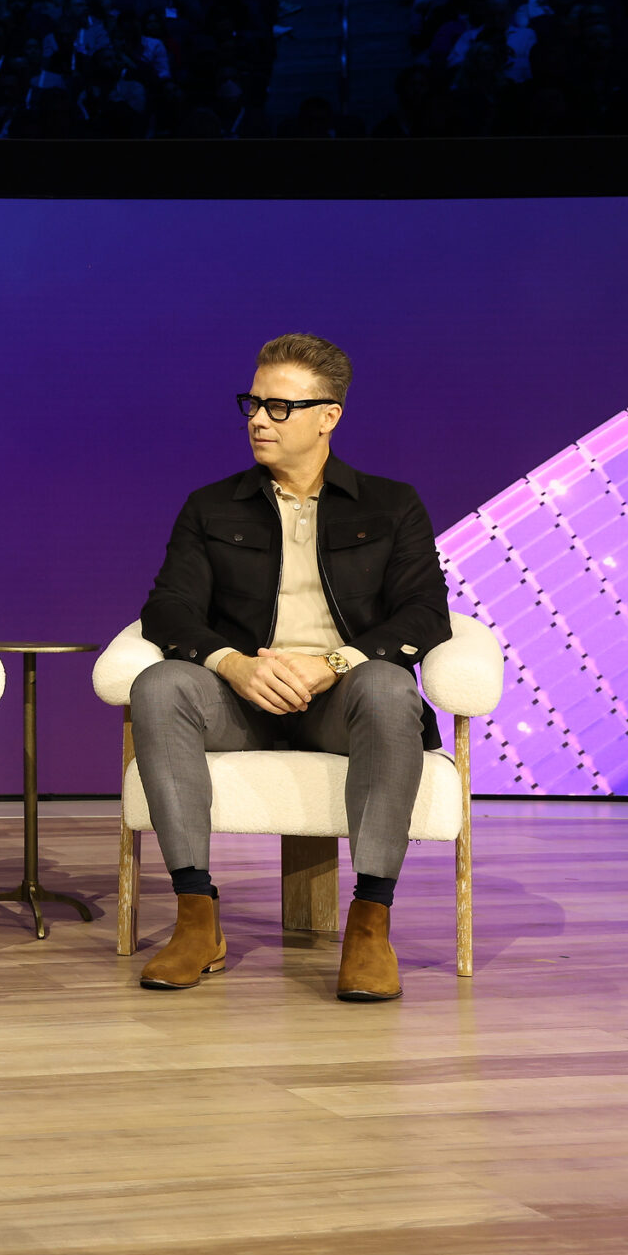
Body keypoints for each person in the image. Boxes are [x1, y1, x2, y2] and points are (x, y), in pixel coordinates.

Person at [126, 333, 449, 1002]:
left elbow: (424, 615)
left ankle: (370, 924)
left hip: (341, 701)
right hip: (241, 700)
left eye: (280, 407)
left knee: (391, 688)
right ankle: (196, 917)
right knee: (159, 684)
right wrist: (234, 664)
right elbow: (167, 609)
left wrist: (336, 663)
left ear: (329, 415)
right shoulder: (211, 506)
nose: (258, 419)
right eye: (253, 403)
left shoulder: (391, 505)